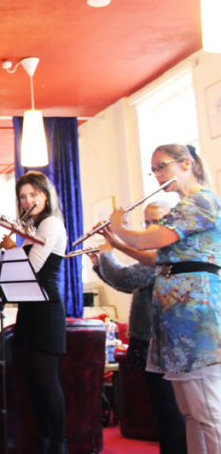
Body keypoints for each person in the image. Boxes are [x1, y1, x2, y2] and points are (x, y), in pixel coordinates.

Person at [108, 143, 221, 454]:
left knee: (210, 414)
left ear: (186, 164)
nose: (157, 175)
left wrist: (120, 225)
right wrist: (115, 240)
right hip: (176, 317)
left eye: (162, 166)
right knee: (191, 413)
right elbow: (158, 259)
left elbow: (153, 238)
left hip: (195, 316)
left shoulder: (201, 202)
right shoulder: (184, 206)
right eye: (153, 169)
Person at [88, 201, 187, 454]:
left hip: (163, 340)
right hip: (150, 339)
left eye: (157, 221)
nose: (151, 227)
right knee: (164, 411)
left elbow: (126, 277)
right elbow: (127, 284)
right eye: (147, 222)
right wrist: (99, 263)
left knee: (170, 411)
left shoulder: (165, 252)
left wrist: (108, 250)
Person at [0, 171, 68, 454]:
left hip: (46, 311)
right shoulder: (33, 229)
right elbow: (17, 276)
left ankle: (58, 443)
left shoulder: (51, 223)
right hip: (29, 311)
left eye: (33, 194)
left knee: (46, 381)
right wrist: (6, 253)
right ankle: (42, 440)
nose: (28, 200)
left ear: (45, 195)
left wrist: (10, 250)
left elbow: (31, 269)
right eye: (23, 196)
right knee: (31, 381)